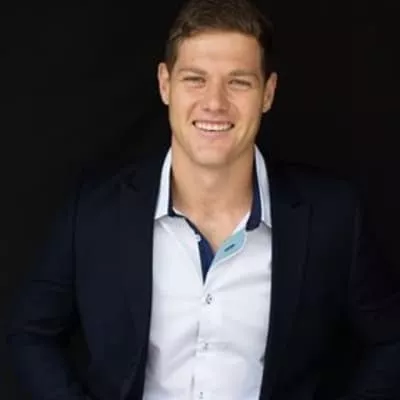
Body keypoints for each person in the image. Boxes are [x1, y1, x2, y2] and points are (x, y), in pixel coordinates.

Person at [7, 0, 400, 399]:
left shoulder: (334, 216)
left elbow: (391, 341)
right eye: (195, 79)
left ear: (268, 93)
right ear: (165, 84)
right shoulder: (94, 210)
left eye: (238, 82)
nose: (215, 103)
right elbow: (30, 333)